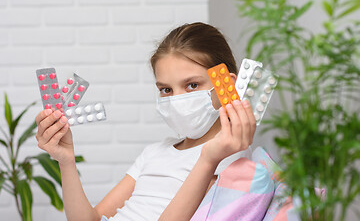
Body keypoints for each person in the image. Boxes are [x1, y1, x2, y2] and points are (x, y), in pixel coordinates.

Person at [35, 22, 257, 221]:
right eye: (166, 89)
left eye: (191, 85)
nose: (177, 100)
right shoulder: (154, 152)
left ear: (226, 86)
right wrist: (66, 161)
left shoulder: (230, 160)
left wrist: (209, 159)